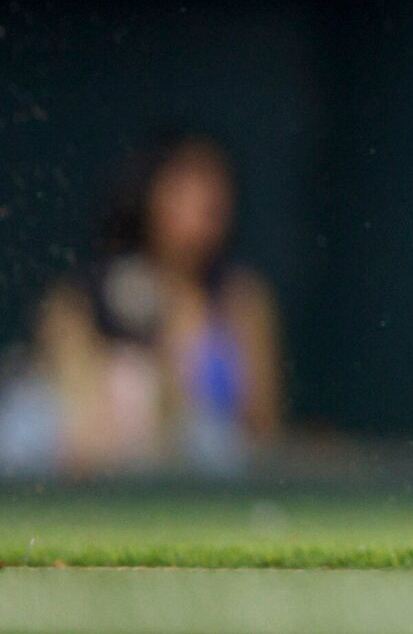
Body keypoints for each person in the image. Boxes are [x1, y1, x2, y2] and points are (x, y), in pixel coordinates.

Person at [0, 134, 280, 475]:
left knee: (213, 443)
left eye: (211, 196)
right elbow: (73, 397)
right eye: (183, 192)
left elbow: (260, 428)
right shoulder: (85, 293)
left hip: (191, 464)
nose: (202, 209)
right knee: (27, 421)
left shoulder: (240, 298)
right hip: (84, 449)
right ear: (148, 197)